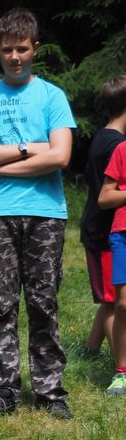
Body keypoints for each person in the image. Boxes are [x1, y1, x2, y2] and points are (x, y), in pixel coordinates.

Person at [0, 8, 75, 419]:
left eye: (22, 49)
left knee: (44, 302)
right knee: (2, 302)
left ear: (35, 48)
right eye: (7, 49)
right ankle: (2, 389)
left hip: (46, 212)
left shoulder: (52, 96)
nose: (15, 57)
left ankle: (50, 391)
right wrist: (29, 148)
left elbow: (61, 156)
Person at [80, 77, 126, 355]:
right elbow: (107, 197)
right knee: (112, 302)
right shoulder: (116, 146)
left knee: (109, 298)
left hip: (102, 229)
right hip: (103, 232)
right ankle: (120, 364)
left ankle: (90, 348)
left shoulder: (103, 136)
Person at [97, 138, 126, 396]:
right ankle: (121, 372)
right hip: (122, 234)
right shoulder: (122, 149)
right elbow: (105, 197)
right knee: (123, 304)